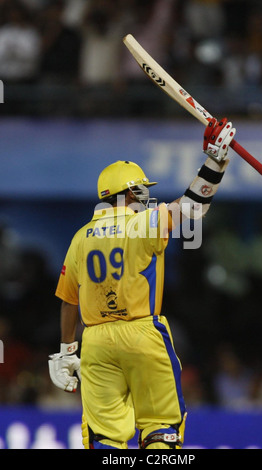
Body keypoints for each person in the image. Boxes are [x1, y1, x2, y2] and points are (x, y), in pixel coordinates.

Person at [48, 117, 236, 450]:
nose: (145, 195)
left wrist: (66, 352)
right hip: (142, 334)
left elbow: (68, 301)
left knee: (105, 437)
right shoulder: (145, 222)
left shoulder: (80, 237)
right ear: (130, 192)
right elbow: (193, 206)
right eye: (142, 189)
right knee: (160, 428)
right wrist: (216, 161)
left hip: (95, 341)